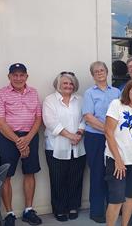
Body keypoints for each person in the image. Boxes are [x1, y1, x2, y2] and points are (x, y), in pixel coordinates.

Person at [0, 63, 43, 226]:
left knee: (30, 172)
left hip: (30, 136)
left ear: (26, 76)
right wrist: (19, 141)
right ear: (9, 77)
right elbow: (0, 122)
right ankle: (9, 214)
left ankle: (28, 210)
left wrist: (27, 139)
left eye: (22, 75)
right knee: (6, 175)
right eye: (15, 75)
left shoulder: (34, 93)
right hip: (8, 138)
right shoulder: (1, 94)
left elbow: (38, 118)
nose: (18, 78)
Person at [104, 77, 132, 226]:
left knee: (131, 197)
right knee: (116, 199)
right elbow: (108, 133)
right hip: (117, 160)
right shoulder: (116, 105)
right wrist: (118, 160)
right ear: (128, 91)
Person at [42, 71, 86, 221]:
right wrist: (71, 136)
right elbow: (50, 122)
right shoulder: (49, 100)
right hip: (56, 147)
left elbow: (84, 118)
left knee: (76, 178)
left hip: (78, 146)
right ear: (58, 85)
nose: (68, 86)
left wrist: (79, 133)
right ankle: (59, 209)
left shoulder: (80, 99)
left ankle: (73, 206)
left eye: (71, 83)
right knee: (58, 179)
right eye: (65, 83)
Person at [82, 61, 121, 223]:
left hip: (113, 137)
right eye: (96, 71)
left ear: (107, 72)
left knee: (113, 173)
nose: (100, 73)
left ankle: (112, 208)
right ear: (93, 75)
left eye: (102, 70)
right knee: (97, 174)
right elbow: (88, 117)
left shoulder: (117, 92)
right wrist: (107, 129)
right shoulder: (89, 93)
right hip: (96, 138)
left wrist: (111, 132)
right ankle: (97, 211)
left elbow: (121, 112)